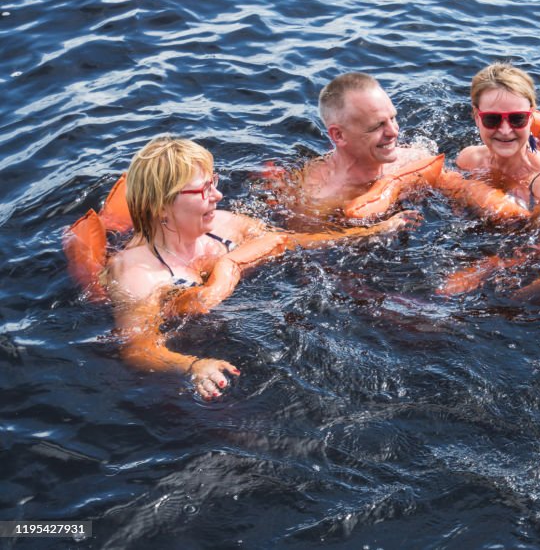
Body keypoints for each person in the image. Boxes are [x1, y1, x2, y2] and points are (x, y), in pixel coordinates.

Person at [105, 137, 416, 399]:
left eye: (213, 182)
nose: (218, 195)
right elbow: (138, 348)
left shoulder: (225, 227)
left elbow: (287, 241)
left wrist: (369, 233)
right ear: (162, 206)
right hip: (196, 346)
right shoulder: (138, 274)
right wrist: (192, 366)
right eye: (203, 191)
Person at [298, 72, 433, 216]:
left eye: (393, 118)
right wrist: (379, 229)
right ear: (339, 135)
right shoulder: (322, 196)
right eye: (377, 126)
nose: (393, 132)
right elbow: (303, 237)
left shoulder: (413, 159)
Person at [453, 62, 540, 212]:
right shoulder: (469, 159)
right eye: (492, 119)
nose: (505, 130)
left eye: (517, 118)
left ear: (531, 116)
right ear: (476, 116)